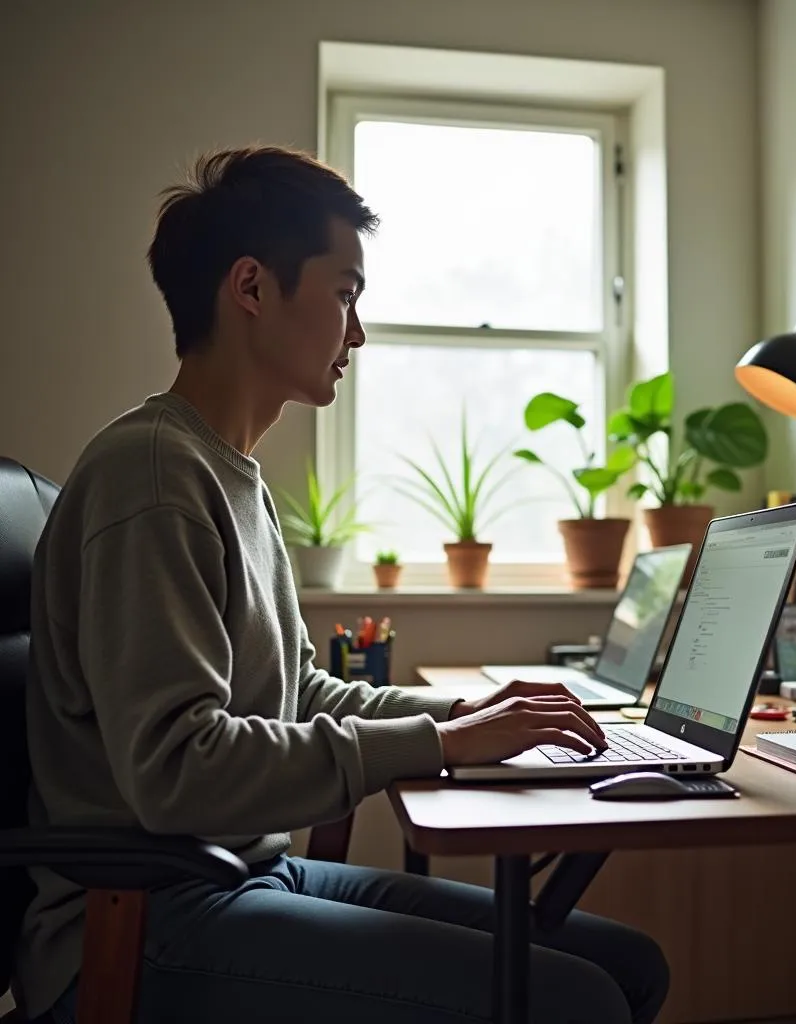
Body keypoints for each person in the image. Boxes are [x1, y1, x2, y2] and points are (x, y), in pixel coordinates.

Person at [16, 146, 669, 1024]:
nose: (357, 333)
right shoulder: (155, 477)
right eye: (345, 294)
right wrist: (441, 747)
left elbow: (294, 691)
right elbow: (177, 770)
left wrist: (464, 720)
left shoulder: (229, 472)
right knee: (573, 1002)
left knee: (624, 965)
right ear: (251, 288)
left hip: (238, 874)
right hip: (143, 917)